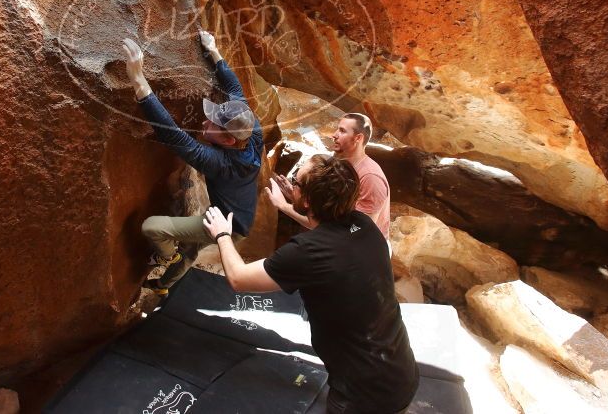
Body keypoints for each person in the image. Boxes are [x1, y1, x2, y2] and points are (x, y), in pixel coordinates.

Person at [203, 154, 418, 414]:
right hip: (401, 372)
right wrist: (285, 206)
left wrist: (222, 234)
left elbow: (239, 278)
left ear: (306, 199)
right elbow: (326, 231)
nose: (290, 183)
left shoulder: (306, 252)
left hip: (364, 396)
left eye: (295, 181)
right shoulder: (364, 225)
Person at [122, 30, 263, 295]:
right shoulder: (251, 131)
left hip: (230, 227)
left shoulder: (221, 163)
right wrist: (213, 49)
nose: (204, 122)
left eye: (213, 125)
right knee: (190, 249)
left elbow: (172, 135)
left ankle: (165, 258)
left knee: (152, 227)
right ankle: (163, 286)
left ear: (230, 142)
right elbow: (234, 89)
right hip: (238, 213)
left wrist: (139, 79)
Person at [267, 113, 391, 239]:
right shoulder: (338, 165)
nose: (334, 135)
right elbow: (327, 216)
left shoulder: (370, 178)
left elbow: (356, 233)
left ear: (358, 138)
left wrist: (284, 206)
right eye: (337, 129)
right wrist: (299, 197)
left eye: (342, 131)